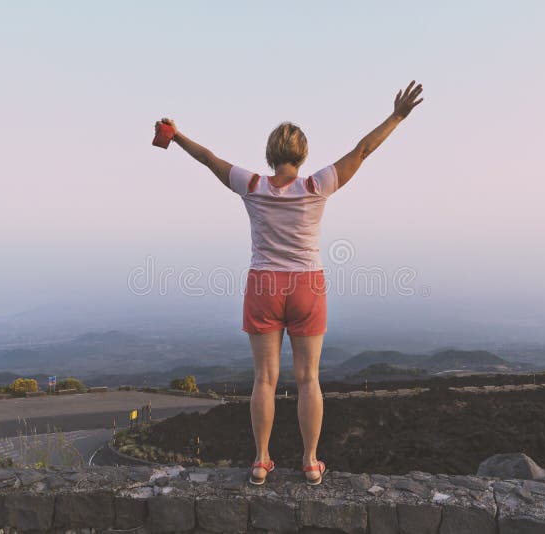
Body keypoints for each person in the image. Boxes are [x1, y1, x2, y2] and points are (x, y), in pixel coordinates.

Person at [155, 79, 424, 485]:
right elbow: (362, 151)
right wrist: (397, 116)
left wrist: (175, 136)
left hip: (263, 285)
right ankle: (311, 462)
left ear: (270, 154)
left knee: (264, 378)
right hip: (307, 286)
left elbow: (209, 158)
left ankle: (262, 461)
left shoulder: (252, 185)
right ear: (302, 154)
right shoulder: (316, 186)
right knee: (308, 379)